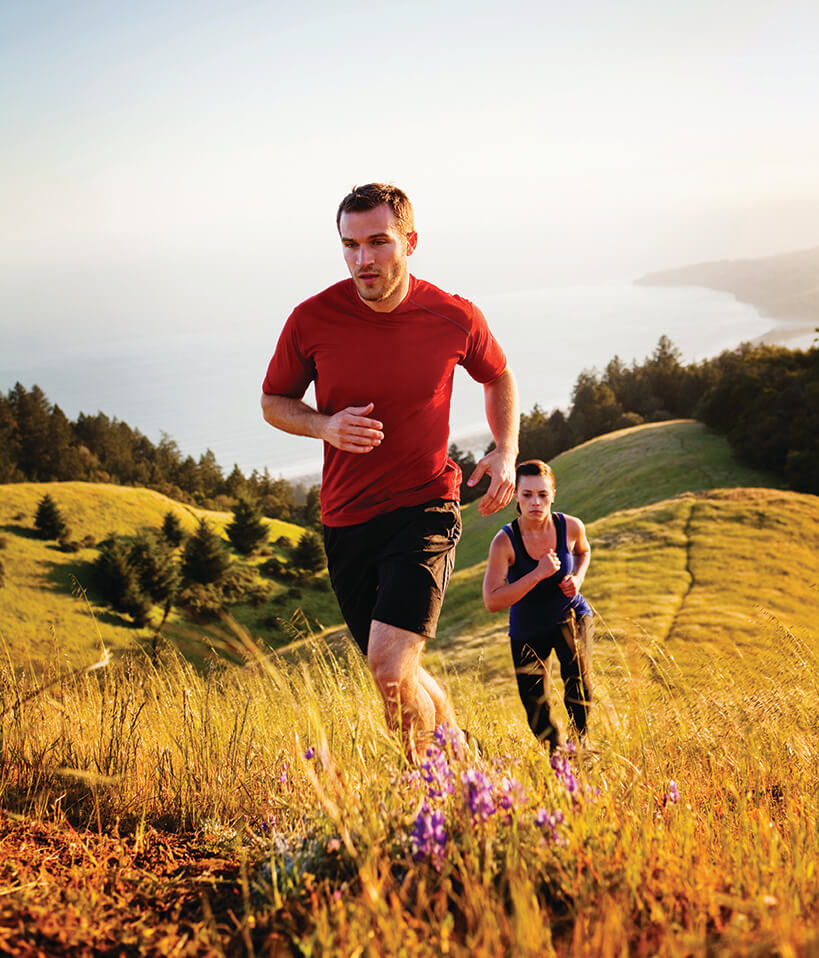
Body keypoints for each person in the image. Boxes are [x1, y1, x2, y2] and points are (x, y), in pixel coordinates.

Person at [261, 183, 519, 758]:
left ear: (409, 241)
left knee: (388, 665)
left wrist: (505, 447)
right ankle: (470, 768)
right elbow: (274, 401)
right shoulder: (311, 319)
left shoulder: (453, 316)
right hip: (346, 519)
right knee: (397, 670)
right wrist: (324, 426)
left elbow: (498, 375)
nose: (363, 259)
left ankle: (428, 800)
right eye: (350, 245)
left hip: (424, 508)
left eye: (378, 242)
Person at [482, 460, 592, 752]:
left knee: (578, 687)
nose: (535, 502)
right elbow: (492, 600)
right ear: (516, 495)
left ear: (553, 494)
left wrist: (577, 579)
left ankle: (580, 749)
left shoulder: (570, 526)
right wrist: (537, 573)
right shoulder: (504, 542)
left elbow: (583, 551)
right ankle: (557, 758)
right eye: (527, 494)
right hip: (528, 629)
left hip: (571, 616)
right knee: (534, 705)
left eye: (542, 495)